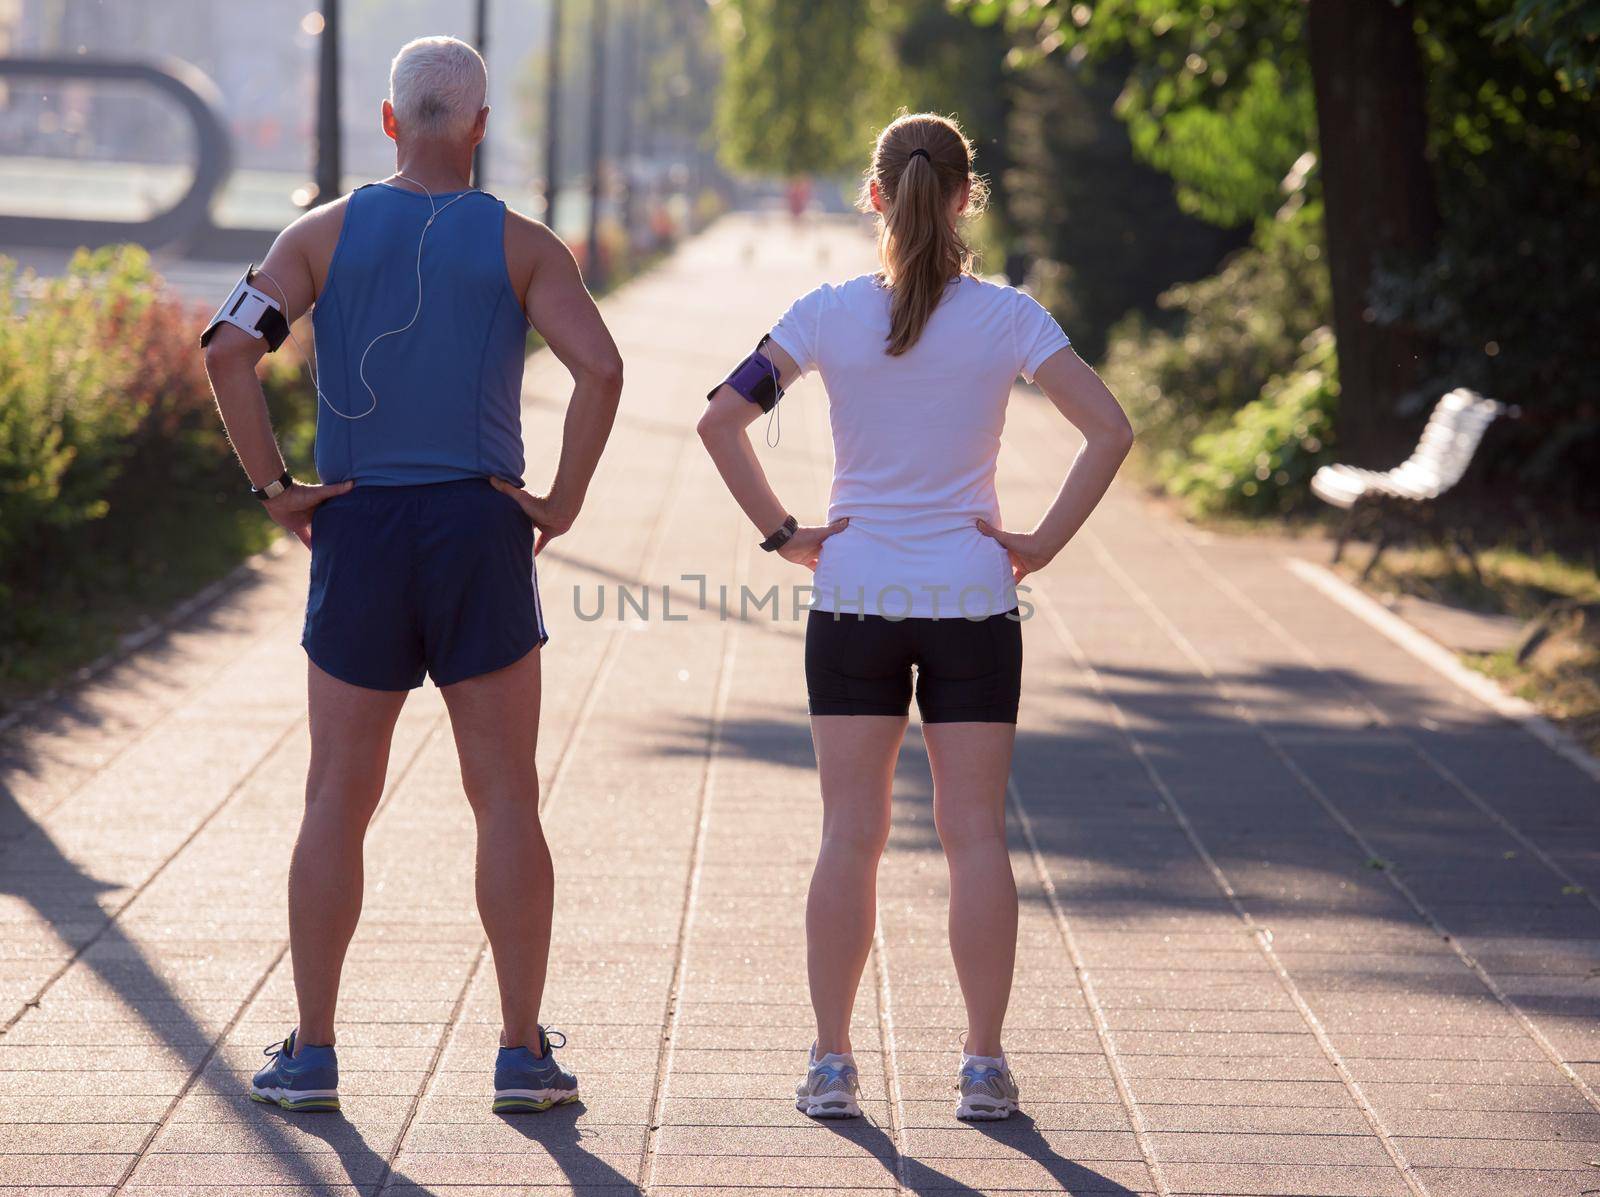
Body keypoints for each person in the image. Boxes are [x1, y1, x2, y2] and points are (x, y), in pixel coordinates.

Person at [203, 36, 622, 1114]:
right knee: (505, 799)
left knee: (335, 798)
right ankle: (522, 1056)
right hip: (481, 529)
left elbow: (224, 351)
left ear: (391, 123)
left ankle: (312, 1056)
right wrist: (562, 499)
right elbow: (602, 368)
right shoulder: (525, 246)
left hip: (361, 533)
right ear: (478, 126)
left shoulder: (320, 235)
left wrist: (275, 489)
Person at [697, 112, 1133, 1121]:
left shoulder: (824, 312)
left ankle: (830, 1065)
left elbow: (722, 419)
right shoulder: (1011, 318)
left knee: (850, 832)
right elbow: (1109, 429)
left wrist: (783, 533)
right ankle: (982, 1068)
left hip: (854, 594)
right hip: (973, 596)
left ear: (876, 196)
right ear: (968, 196)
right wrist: (1040, 544)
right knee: (974, 833)